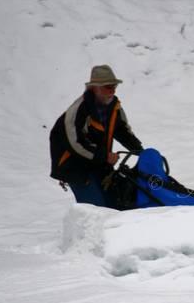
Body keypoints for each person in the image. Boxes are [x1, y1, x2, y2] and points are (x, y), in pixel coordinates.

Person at [49, 64, 144, 207]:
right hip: (75, 168)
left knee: (115, 206)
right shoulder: (78, 110)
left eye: (114, 86)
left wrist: (140, 151)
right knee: (98, 210)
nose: (112, 90)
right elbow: (76, 144)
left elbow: (123, 131)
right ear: (94, 88)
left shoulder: (114, 106)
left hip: (98, 164)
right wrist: (105, 156)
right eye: (108, 87)